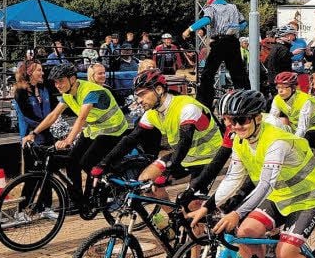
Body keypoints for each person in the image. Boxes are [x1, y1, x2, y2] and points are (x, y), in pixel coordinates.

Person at [198, 89, 315, 258]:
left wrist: (237, 213)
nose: (234, 126)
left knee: (286, 253)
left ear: (257, 118)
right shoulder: (240, 140)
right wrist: (208, 205)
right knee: (244, 234)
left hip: (308, 197)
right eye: (228, 120)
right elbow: (233, 178)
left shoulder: (276, 140)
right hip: (280, 196)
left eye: (241, 120)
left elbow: (265, 184)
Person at [100, 68, 226, 207]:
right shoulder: (152, 113)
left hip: (208, 158)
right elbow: (131, 139)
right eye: (137, 96)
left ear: (159, 89)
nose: (139, 100)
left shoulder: (187, 107)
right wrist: (104, 163)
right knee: (145, 182)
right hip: (185, 157)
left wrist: (167, 173)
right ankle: (172, 218)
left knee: (192, 206)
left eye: (142, 94)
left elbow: (184, 142)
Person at [23, 62, 129, 197]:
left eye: (61, 81)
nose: (58, 85)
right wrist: (33, 133)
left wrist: (68, 140)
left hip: (113, 130)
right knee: (71, 161)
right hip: (95, 129)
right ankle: (77, 199)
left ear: (72, 79)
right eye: (55, 82)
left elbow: (81, 118)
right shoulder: (67, 94)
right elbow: (54, 115)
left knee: (87, 162)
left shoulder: (90, 91)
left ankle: (106, 190)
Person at [184, 0, 249, 110]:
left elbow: (206, 19)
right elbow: (244, 23)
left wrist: (190, 29)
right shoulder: (233, 7)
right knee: (238, 74)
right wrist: (233, 30)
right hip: (233, 42)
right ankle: (245, 101)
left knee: (208, 74)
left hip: (220, 42)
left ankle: (204, 104)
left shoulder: (211, 7)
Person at [269, 71, 315, 149]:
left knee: (303, 145)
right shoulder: (277, 99)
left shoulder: (304, 100)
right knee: (281, 122)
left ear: (293, 88)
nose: (280, 91)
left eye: (284, 87)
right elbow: (272, 120)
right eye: (278, 87)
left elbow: (302, 128)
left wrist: (292, 145)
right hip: (300, 125)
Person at [13, 60, 57, 146]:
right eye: (39, 70)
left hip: (49, 133)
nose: (42, 73)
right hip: (31, 135)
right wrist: (46, 125)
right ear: (29, 72)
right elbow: (27, 116)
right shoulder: (20, 91)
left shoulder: (44, 88)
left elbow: (55, 107)